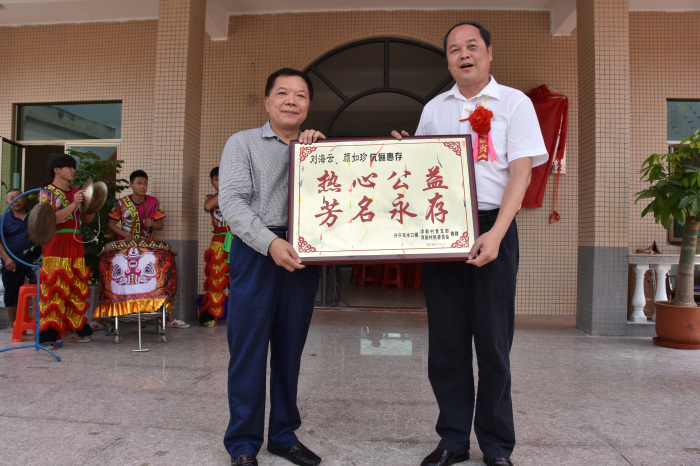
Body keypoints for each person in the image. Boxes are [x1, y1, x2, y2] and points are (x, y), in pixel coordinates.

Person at [392, 22, 547, 466]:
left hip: (494, 225)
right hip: (442, 229)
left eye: (472, 47)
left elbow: (521, 174)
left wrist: (496, 233)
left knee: (493, 344)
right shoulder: (434, 108)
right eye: (454, 49)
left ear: (489, 53)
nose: (464, 55)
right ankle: (453, 440)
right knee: (447, 343)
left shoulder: (514, 103)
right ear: (447, 60)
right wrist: (404, 152)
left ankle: (497, 446)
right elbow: (422, 171)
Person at [219, 68, 325, 466]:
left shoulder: (317, 147)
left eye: (300, 95)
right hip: (257, 251)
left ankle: (283, 435)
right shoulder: (242, 143)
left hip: (302, 254)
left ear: (308, 105)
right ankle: (243, 444)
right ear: (267, 101)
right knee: (248, 350)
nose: (291, 101)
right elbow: (231, 202)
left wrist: (321, 152)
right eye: (282, 93)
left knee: (290, 349)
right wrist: (270, 242)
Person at [105, 170, 188, 329]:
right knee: (116, 280)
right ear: (131, 185)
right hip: (125, 249)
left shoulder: (153, 202)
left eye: (145, 183)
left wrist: (152, 224)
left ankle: (169, 317)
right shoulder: (121, 203)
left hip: (147, 249)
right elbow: (110, 224)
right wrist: (124, 234)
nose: (143, 186)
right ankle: (104, 319)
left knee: (159, 279)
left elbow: (160, 225)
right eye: (139, 183)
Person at [38, 153, 96, 344]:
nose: (73, 170)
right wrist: (74, 204)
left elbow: (86, 219)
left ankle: (78, 327)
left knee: (76, 285)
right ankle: (49, 333)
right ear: (56, 170)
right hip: (55, 241)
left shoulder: (78, 191)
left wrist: (94, 205)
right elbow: (51, 220)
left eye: (73, 167)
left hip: (75, 240)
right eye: (69, 167)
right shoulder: (46, 193)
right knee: (55, 285)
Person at [0, 189, 41, 329]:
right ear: (7, 202)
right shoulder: (3, 219)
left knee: (38, 288)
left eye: (18, 197)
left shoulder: (34, 215)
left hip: (35, 260)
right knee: (11, 292)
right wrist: (6, 259)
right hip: (12, 262)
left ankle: (36, 322)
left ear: (24, 198)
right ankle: (13, 324)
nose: (15, 200)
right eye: (11, 198)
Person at [198, 167, 231, 327]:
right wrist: (224, 191)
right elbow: (208, 207)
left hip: (237, 238)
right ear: (212, 182)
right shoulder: (211, 197)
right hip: (218, 239)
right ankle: (211, 314)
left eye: (223, 179)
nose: (220, 182)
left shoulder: (236, 194)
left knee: (239, 277)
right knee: (216, 276)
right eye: (217, 180)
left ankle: (240, 315)